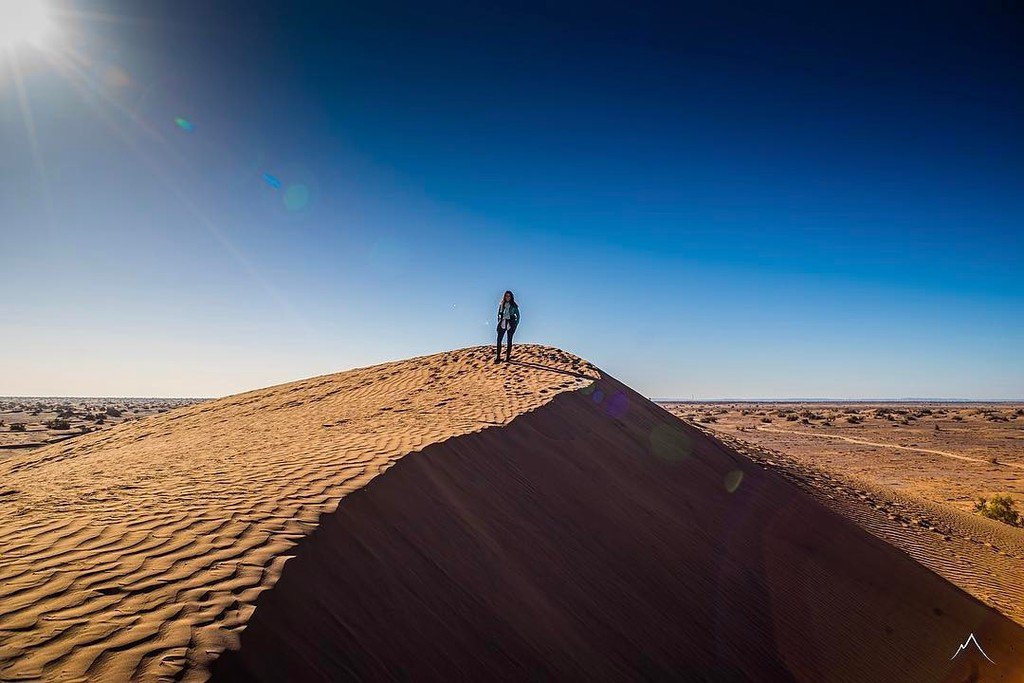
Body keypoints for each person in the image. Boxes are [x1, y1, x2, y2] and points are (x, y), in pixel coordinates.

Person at [495, 290, 520, 363]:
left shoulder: (514, 305)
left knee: (509, 340)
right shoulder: (502, 304)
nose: (507, 297)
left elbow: (518, 316)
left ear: (511, 297)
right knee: (499, 339)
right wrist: (499, 321)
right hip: (502, 322)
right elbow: (499, 313)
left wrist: (516, 324)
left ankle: (507, 357)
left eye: (509, 296)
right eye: (506, 296)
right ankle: (498, 356)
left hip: (511, 323)